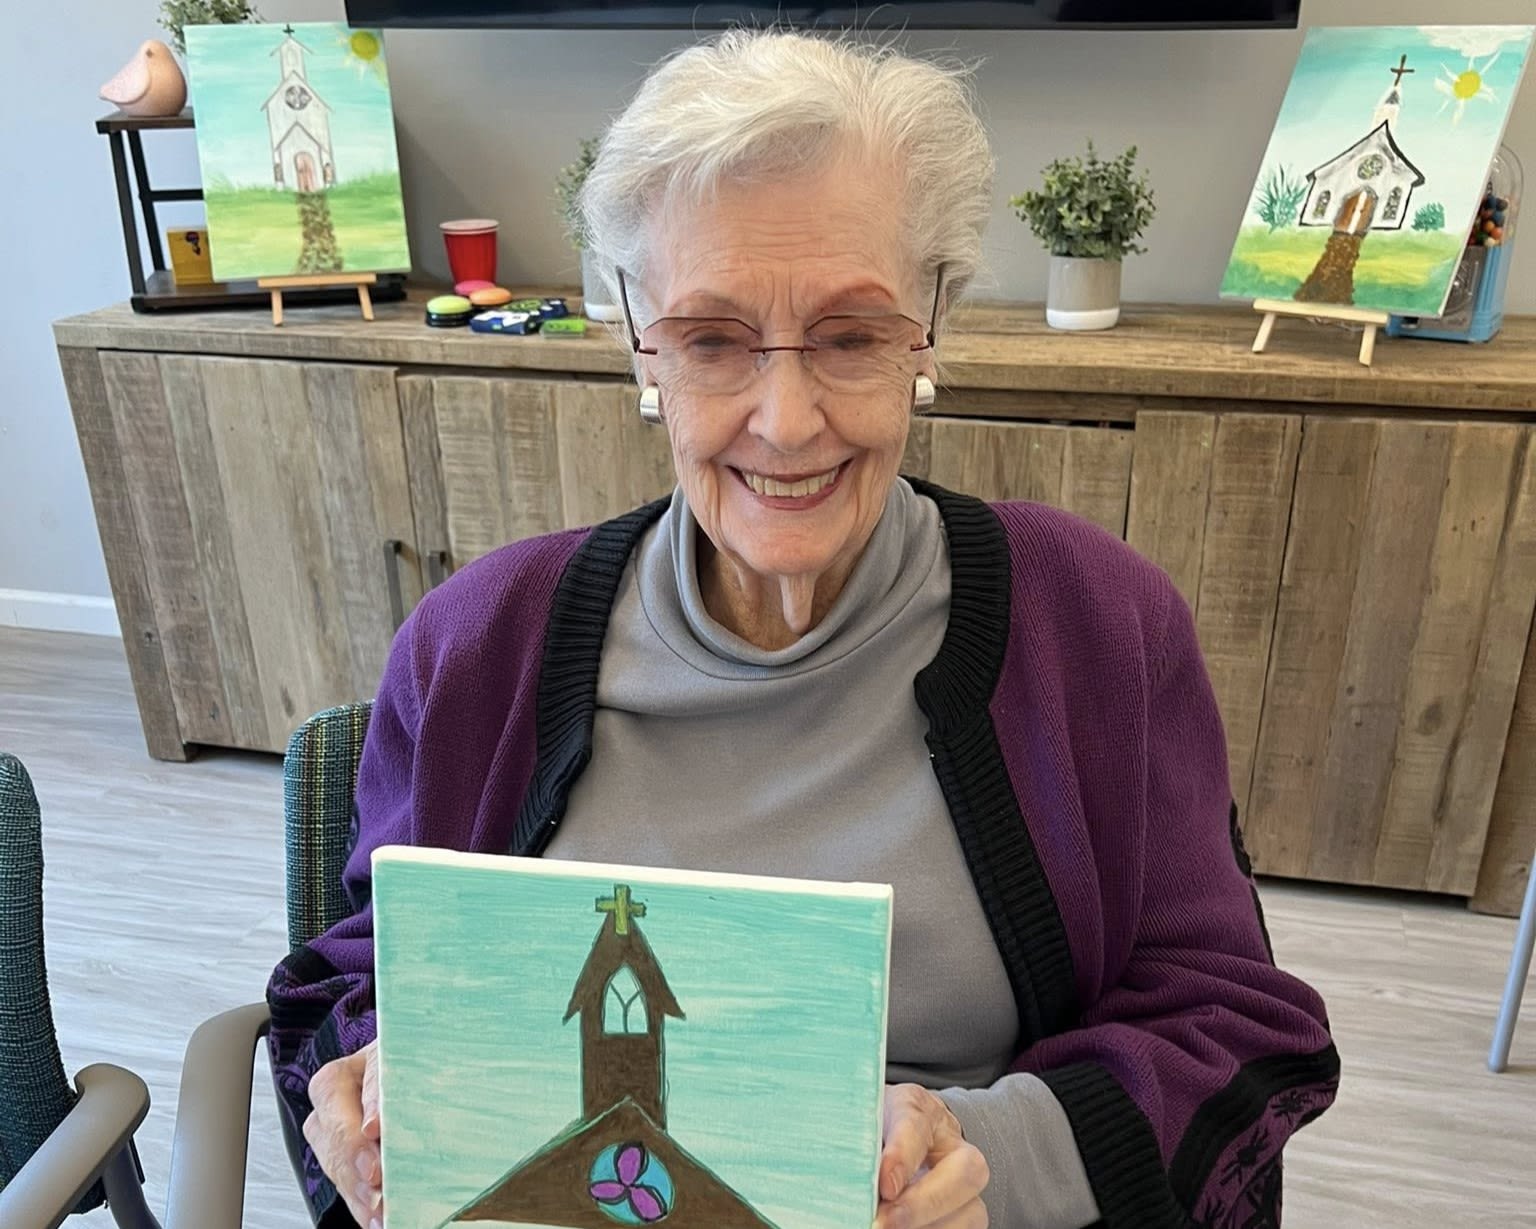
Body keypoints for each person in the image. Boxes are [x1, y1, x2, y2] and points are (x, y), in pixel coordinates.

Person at [268, 28, 1338, 1229]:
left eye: (850, 335)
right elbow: (359, 977)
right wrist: (369, 1089)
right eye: (713, 338)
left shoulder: (1097, 625)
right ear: (640, 343)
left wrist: (985, 1150)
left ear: (928, 328)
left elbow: (1233, 1020)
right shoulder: (477, 642)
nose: (785, 420)